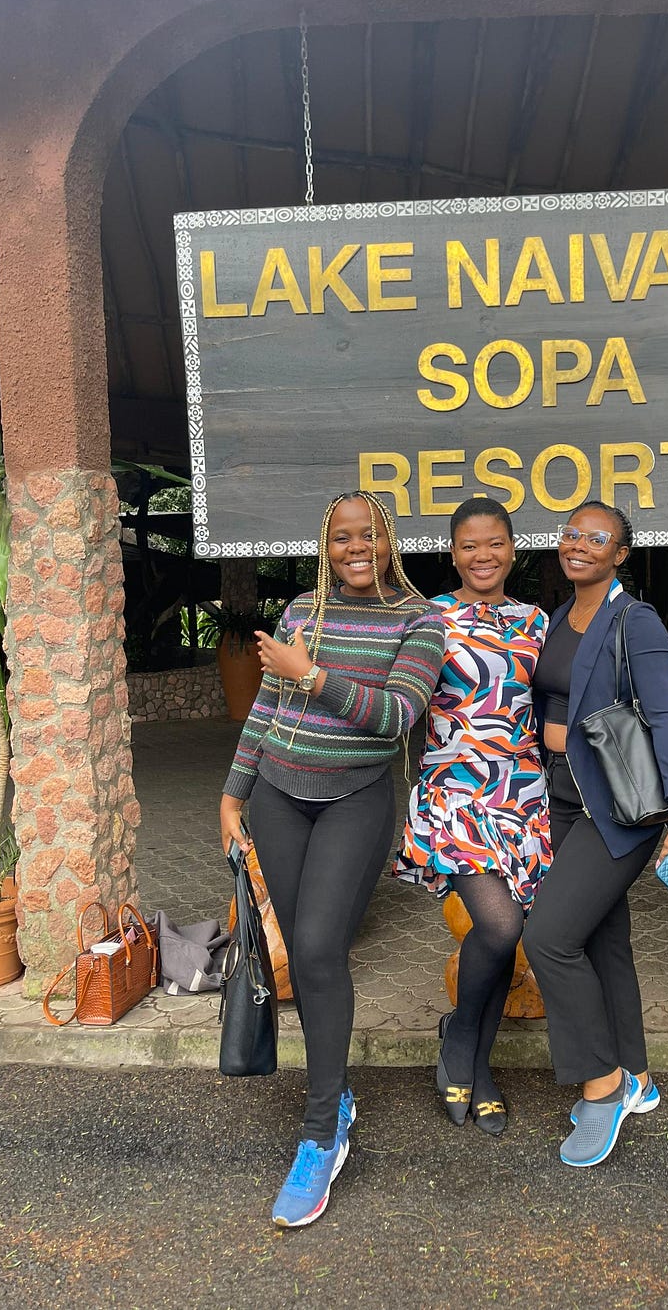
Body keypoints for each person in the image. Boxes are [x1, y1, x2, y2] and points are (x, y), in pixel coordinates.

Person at [218, 491, 445, 1227]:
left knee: (319, 946)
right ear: (326, 541)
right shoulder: (299, 612)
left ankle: (320, 1135)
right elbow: (265, 709)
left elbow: (395, 716)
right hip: (279, 794)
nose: (355, 547)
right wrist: (233, 793)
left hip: (356, 797)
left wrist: (311, 673)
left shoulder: (419, 620)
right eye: (342, 536)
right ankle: (333, 1093)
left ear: (388, 541)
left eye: (368, 535)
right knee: (304, 958)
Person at [523, 500, 668, 1168]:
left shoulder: (638, 621)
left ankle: (602, 1083)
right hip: (567, 803)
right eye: (572, 532)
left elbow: (664, 718)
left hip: (620, 811)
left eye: (596, 537)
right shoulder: (556, 619)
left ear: (619, 554)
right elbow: (552, 700)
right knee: (604, 942)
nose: (579, 544)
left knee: (547, 937)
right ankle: (640, 1076)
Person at [393, 496, 551, 1136]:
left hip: (523, 796)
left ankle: (473, 1062)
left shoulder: (538, 622)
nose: (482, 556)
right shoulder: (428, 618)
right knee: (499, 922)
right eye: (468, 546)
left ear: (512, 550)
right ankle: (461, 1043)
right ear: (451, 552)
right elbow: (393, 698)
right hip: (454, 794)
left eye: (494, 544)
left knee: (506, 934)